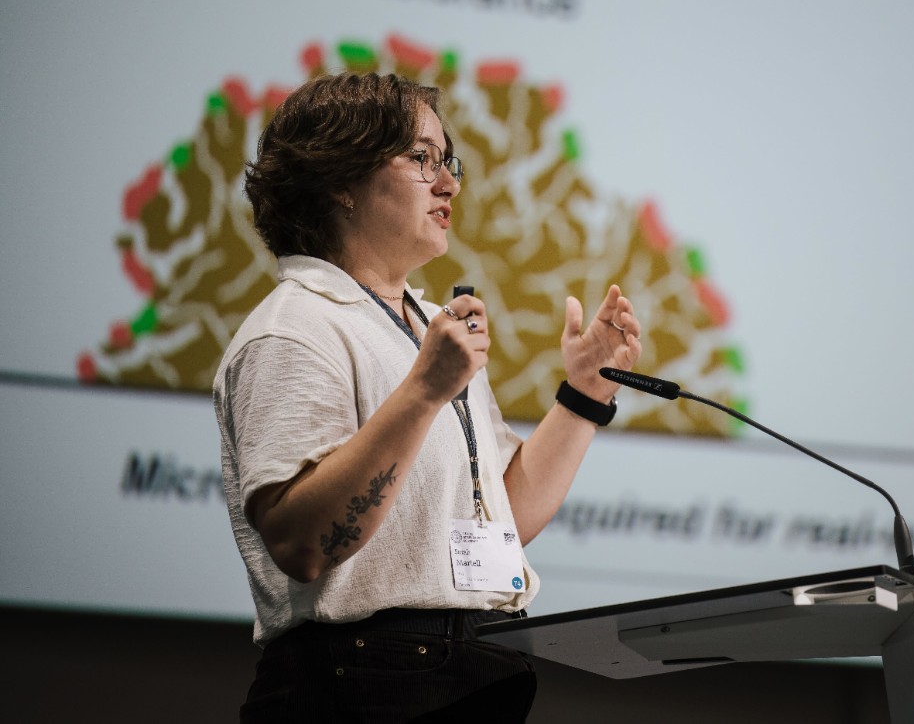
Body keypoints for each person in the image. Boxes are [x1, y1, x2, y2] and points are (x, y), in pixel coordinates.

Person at [213, 72, 642, 723]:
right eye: (421, 158)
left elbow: (502, 518)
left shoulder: (428, 324)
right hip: (360, 685)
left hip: (475, 668)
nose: (449, 184)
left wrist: (585, 393)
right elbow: (303, 544)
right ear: (339, 179)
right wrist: (423, 390)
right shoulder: (294, 328)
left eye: (448, 161)